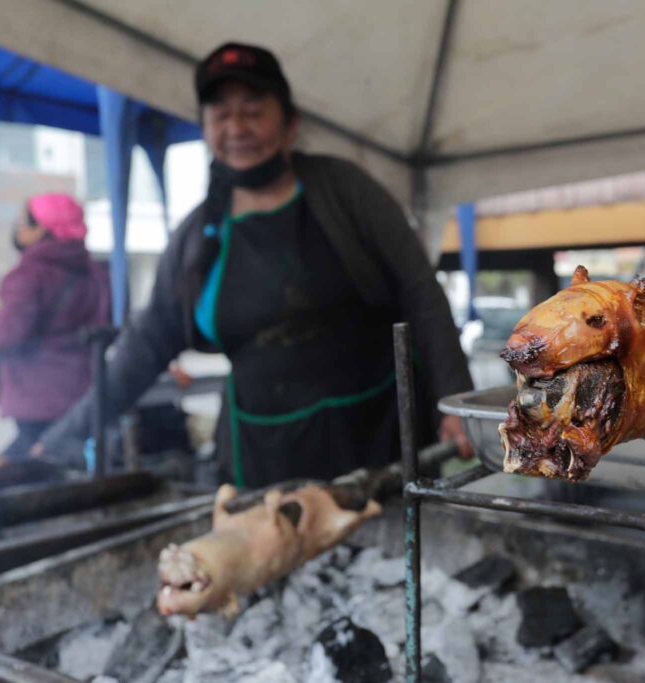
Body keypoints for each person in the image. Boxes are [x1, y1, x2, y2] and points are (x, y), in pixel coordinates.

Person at [37, 42, 473, 486]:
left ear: (290, 123)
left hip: (378, 439)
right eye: (221, 115)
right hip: (261, 458)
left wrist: (455, 401)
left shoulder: (344, 192)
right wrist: (60, 436)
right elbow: (143, 347)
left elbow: (421, 292)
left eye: (253, 111)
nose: (237, 128)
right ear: (206, 128)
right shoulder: (198, 235)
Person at [0, 194, 110, 461]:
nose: (18, 229)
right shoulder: (96, 272)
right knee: (67, 459)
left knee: (33, 460)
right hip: (85, 389)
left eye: (23, 223)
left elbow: (8, 330)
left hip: (37, 395)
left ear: (43, 229)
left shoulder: (30, 274)